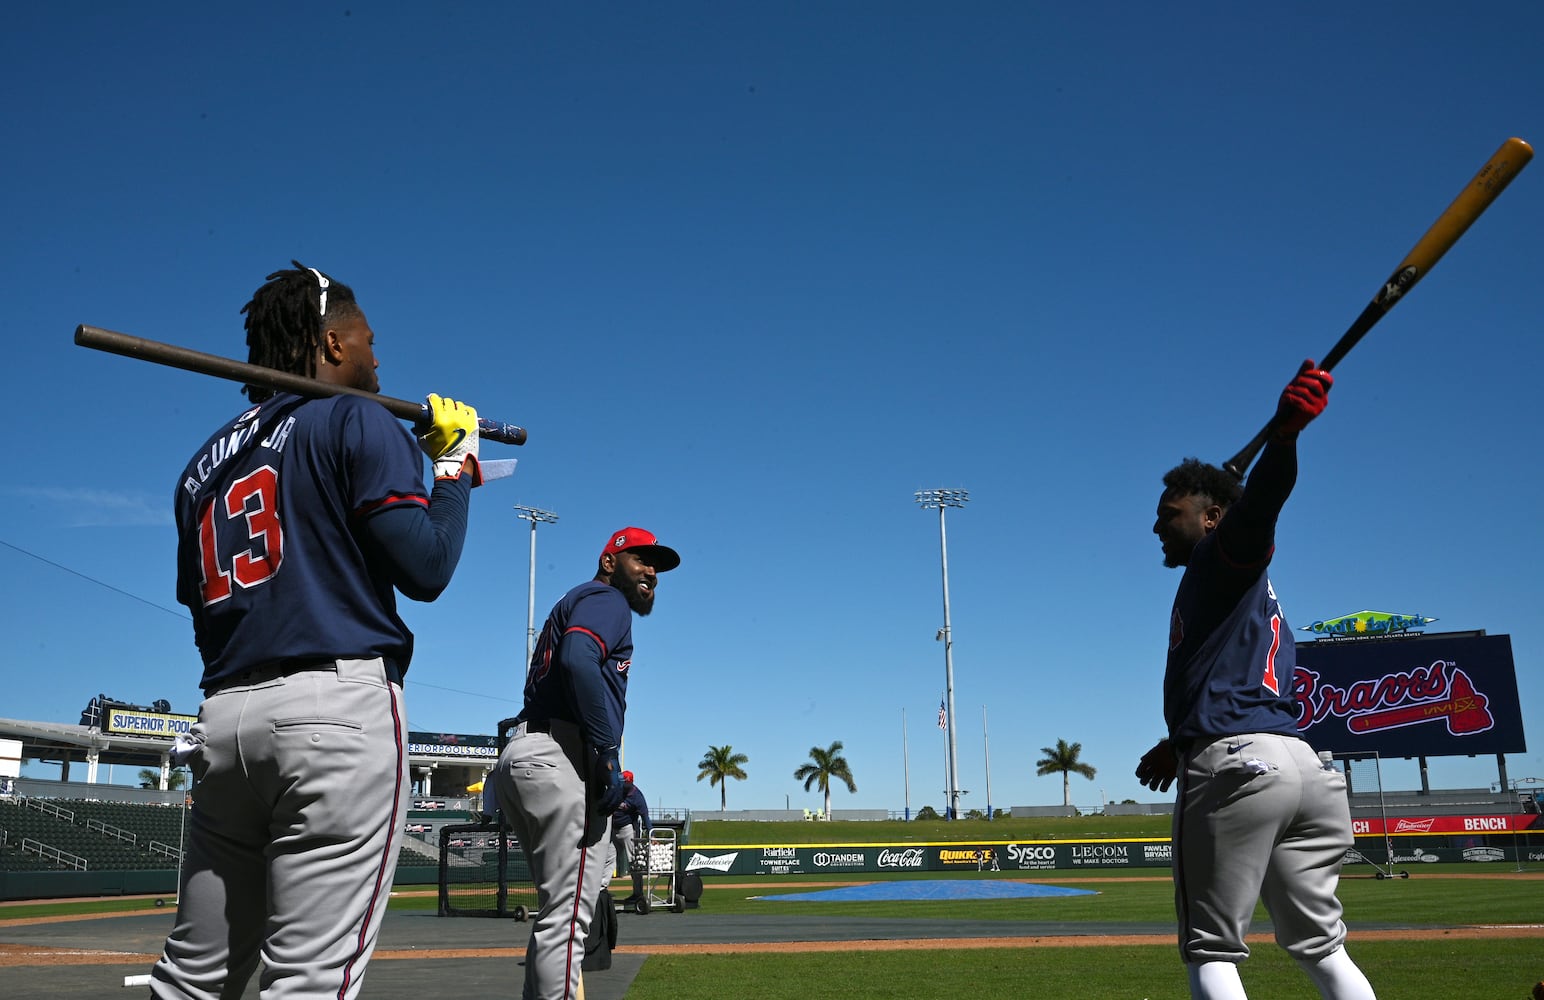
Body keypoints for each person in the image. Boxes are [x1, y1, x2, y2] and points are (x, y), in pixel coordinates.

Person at [150, 262, 483, 1000]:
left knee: (193, 980)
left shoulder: (198, 469)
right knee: (307, 983)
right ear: (332, 343)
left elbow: (202, 611)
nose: (377, 356)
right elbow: (426, 568)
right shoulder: (355, 415)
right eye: (368, 340)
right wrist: (453, 468)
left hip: (224, 717)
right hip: (334, 711)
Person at [1135, 361, 1375, 1000]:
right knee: (1324, 950)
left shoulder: (1220, 559)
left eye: (1170, 512)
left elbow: (1260, 506)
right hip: (1303, 768)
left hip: (1237, 767)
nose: (1157, 524)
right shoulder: (1239, 590)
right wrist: (1178, 737)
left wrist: (1287, 438)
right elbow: (1228, 681)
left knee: (1211, 953)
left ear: (1211, 517)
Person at [492, 526, 680, 1000]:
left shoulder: (579, 600)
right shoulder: (606, 599)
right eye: (641, 558)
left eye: (656, 564)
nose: (652, 570)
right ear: (609, 562)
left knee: (558, 914)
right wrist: (607, 750)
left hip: (528, 750)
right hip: (562, 754)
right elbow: (579, 658)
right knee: (568, 917)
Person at [609, 770, 651, 905]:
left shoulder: (637, 796)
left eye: (624, 782)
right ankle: (600, 891)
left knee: (634, 863)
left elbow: (645, 816)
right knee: (607, 859)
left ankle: (638, 893)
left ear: (630, 782)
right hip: (612, 828)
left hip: (628, 829)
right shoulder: (616, 789)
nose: (622, 784)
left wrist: (651, 833)